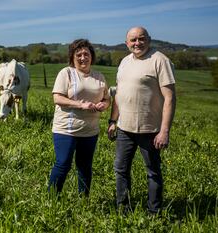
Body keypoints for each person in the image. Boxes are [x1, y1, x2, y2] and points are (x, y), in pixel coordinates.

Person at [107, 26, 176, 214]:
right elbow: (119, 94)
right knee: (121, 169)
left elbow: (170, 98)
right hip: (124, 129)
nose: (137, 43)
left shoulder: (160, 60)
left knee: (152, 172)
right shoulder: (124, 62)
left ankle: (154, 213)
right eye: (133, 40)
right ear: (126, 42)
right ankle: (123, 209)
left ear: (149, 39)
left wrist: (164, 131)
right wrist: (112, 121)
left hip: (150, 129)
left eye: (141, 38)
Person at [48, 39, 110, 196]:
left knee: (85, 166)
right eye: (79, 54)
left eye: (86, 54)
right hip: (66, 130)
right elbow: (58, 98)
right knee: (63, 164)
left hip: (90, 131)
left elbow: (107, 98)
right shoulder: (66, 73)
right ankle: (51, 199)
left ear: (92, 56)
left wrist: (104, 105)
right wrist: (79, 105)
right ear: (72, 57)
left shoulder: (99, 76)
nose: (83, 58)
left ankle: (84, 200)